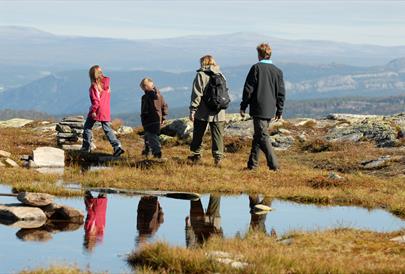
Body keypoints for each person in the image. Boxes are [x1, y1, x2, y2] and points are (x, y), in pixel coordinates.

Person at [240, 43, 286, 170]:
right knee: (258, 135)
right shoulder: (277, 71)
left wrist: (243, 105)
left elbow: (248, 89)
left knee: (263, 136)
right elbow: (281, 92)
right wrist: (279, 109)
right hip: (270, 109)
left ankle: (274, 165)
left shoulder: (256, 68)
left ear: (259, 54)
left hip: (258, 108)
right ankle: (252, 165)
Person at [188, 55, 227, 166]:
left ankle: (197, 155)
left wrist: (193, 109)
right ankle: (218, 158)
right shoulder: (221, 74)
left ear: (202, 63)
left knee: (198, 134)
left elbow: (197, 94)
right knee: (217, 136)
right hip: (219, 111)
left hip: (203, 111)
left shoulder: (201, 75)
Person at [81, 65, 125, 157]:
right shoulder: (106, 84)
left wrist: (93, 110)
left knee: (87, 128)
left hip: (97, 110)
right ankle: (117, 146)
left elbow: (96, 101)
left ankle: (86, 148)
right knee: (107, 129)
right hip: (105, 109)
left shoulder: (94, 86)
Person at [140, 78, 168, 159]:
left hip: (151, 120)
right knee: (148, 136)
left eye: (143, 87)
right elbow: (164, 106)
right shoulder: (158, 95)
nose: (143, 89)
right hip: (153, 120)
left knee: (152, 136)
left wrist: (144, 115)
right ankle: (147, 151)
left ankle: (157, 153)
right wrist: (163, 117)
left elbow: (148, 109)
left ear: (146, 86)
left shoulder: (150, 96)